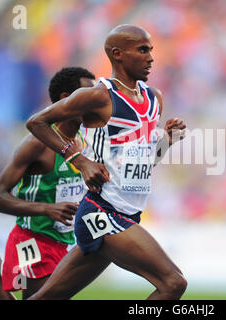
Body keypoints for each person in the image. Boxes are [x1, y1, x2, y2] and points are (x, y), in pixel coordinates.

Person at [25, 24, 188, 300]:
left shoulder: (154, 99)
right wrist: (80, 160)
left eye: (151, 50)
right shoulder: (98, 96)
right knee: (173, 284)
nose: (151, 57)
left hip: (128, 212)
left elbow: (144, 163)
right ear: (118, 54)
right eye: (143, 50)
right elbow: (37, 122)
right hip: (102, 213)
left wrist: (167, 142)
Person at [0, 67, 96, 300]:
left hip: (64, 243)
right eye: (88, 95)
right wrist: (47, 209)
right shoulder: (37, 144)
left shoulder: (82, 142)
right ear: (66, 99)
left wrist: (165, 144)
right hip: (31, 240)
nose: (95, 101)